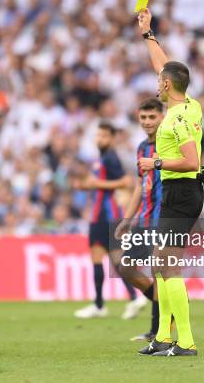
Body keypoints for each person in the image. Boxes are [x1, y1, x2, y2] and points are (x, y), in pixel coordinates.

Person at [136, 8, 204, 356]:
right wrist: (149, 34)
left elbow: (191, 161)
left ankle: (187, 340)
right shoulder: (190, 104)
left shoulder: (177, 118)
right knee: (161, 261)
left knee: (167, 261)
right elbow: (163, 65)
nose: (156, 81)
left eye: (159, 79)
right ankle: (163, 335)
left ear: (166, 85)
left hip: (182, 190)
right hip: (182, 192)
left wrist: (156, 161)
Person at [73, 122, 147, 319]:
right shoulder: (103, 158)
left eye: (105, 136)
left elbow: (126, 182)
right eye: (98, 136)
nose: (100, 139)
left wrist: (96, 183)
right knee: (116, 261)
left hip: (105, 216)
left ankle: (100, 305)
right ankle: (133, 298)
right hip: (103, 214)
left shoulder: (111, 158)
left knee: (102, 258)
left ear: (113, 138)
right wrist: (88, 186)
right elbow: (102, 185)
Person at [114, 98, 167, 343]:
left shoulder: (170, 144)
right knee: (125, 267)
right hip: (144, 219)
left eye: (151, 117)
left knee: (159, 271)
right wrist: (127, 219)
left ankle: (157, 330)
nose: (147, 122)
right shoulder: (141, 148)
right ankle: (170, 308)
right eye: (143, 118)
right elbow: (140, 185)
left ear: (162, 117)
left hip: (164, 217)